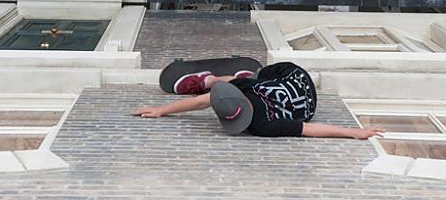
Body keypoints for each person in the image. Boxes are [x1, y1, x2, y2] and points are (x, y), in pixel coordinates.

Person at [133, 61, 383, 140]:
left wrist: (353, 133)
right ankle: (220, 81)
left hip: (293, 76)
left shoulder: (264, 125)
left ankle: (209, 81)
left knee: (252, 79)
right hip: (299, 92)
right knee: (247, 81)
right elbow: (199, 103)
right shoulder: (241, 93)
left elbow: (310, 129)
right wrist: (163, 110)